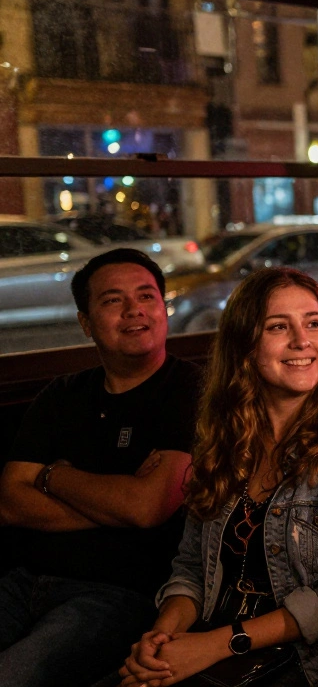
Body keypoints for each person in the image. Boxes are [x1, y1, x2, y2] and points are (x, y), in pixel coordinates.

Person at [117, 267, 318, 687]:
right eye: (278, 326)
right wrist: (163, 637)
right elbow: (192, 567)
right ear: (246, 347)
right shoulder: (225, 433)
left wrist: (217, 644)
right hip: (216, 645)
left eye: (313, 323)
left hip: (312, 661)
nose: (302, 341)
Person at [0, 249, 200, 687]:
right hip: (22, 579)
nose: (134, 311)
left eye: (146, 296)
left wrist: (52, 476)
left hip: (115, 595)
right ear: (86, 323)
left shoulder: (190, 391)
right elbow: (11, 501)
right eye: (113, 300)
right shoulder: (63, 393)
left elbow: (147, 508)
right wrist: (117, 503)